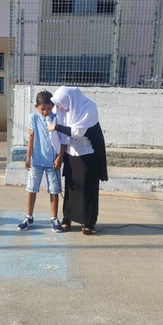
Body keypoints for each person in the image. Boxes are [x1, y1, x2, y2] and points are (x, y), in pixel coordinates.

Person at [47, 86, 108, 235]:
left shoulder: (89, 107)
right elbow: (49, 117)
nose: (60, 108)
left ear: (70, 100)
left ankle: (89, 222)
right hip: (70, 152)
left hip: (88, 153)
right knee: (71, 187)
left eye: (61, 104)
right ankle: (67, 218)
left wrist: (56, 127)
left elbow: (77, 132)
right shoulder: (62, 108)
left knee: (88, 188)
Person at [18, 90, 66, 232]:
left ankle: (54, 218)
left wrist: (60, 157)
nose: (46, 112)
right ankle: (29, 217)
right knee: (31, 189)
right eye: (43, 109)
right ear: (36, 107)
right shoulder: (33, 117)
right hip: (36, 161)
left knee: (54, 190)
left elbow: (64, 140)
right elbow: (31, 138)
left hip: (52, 162)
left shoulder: (57, 118)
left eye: (49, 109)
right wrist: (28, 157)